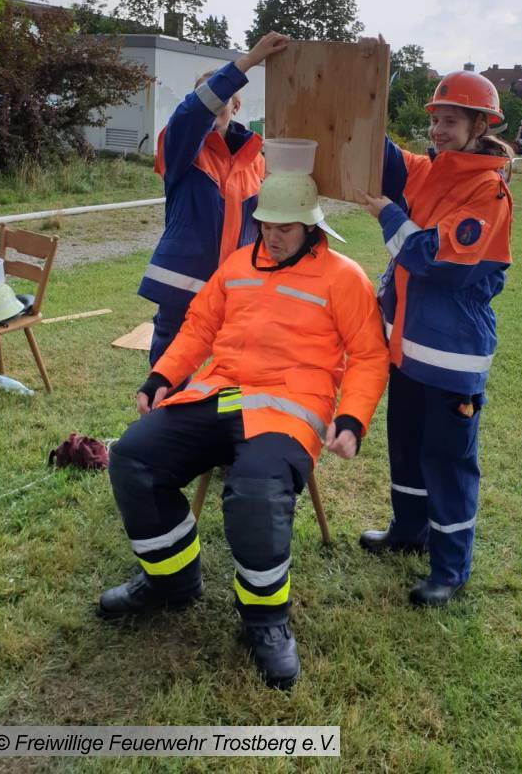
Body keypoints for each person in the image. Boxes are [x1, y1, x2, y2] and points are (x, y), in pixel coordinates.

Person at [98, 171, 389, 690]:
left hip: (290, 407)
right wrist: (163, 375)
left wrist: (351, 419)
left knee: (255, 491)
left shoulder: (344, 278)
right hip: (218, 393)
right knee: (133, 457)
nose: (272, 237)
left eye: (285, 228)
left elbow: (369, 355)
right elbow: (199, 326)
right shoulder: (236, 264)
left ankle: (265, 620)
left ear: (311, 227)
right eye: (265, 226)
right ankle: (171, 581)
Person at [358, 67, 514, 608]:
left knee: (447, 462)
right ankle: (409, 531)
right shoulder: (429, 171)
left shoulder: (488, 190)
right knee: (405, 446)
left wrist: (389, 215)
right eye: (436, 120)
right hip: (407, 347)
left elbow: (437, 261)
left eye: (451, 121)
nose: (438, 130)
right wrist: (364, 93)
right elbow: (381, 156)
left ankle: (450, 568)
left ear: (479, 125)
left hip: (452, 356)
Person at [138, 32, 289, 366]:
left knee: (232, 369)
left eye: (224, 96)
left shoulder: (256, 161)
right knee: (172, 368)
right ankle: (166, 401)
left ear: (236, 106)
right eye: (205, 95)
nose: (214, 102)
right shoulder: (180, 146)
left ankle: (218, 406)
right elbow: (193, 112)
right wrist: (249, 61)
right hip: (183, 287)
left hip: (236, 285)